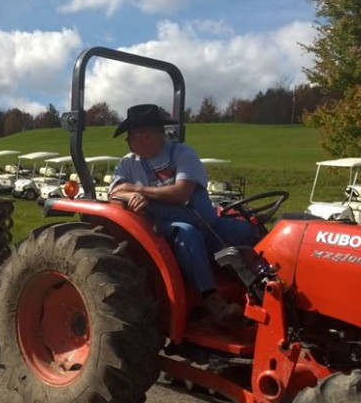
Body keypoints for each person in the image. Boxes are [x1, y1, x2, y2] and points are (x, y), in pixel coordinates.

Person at [109, 104, 260, 327]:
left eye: (129, 136)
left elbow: (181, 193)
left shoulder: (181, 153)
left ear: (146, 135)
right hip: (162, 230)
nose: (128, 142)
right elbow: (115, 192)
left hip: (207, 223)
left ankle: (262, 288)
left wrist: (139, 191)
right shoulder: (128, 163)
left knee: (246, 230)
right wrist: (132, 196)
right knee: (187, 232)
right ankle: (212, 300)